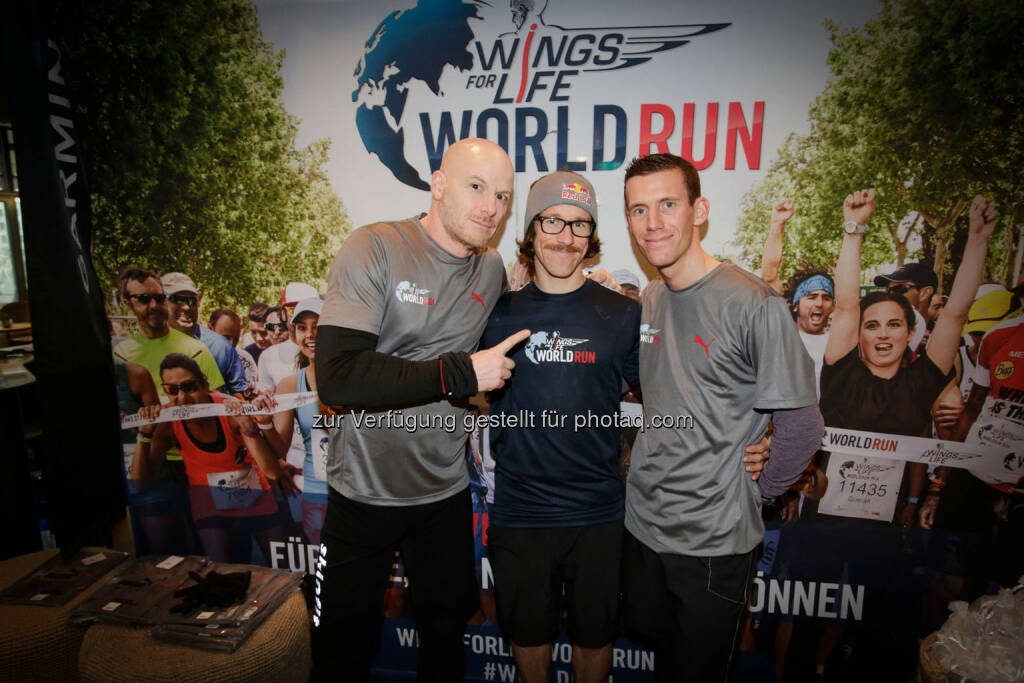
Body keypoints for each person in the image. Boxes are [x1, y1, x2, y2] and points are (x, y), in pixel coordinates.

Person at [311, 138, 527, 682]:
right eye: (476, 187)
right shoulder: (375, 246)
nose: (490, 208)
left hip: (444, 494)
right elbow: (337, 377)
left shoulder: (490, 269)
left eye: (502, 196)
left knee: (445, 637)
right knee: (342, 644)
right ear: (437, 184)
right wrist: (461, 373)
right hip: (361, 492)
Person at [620, 153, 823, 681]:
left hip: (712, 539)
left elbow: (803, 426)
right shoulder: (652, 296)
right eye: (638, 210)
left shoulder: (754, 302)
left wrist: (758, 491)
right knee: (659, 649)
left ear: (699, 209)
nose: (652, 223)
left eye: (667, 205)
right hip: (644, 525)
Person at [134, 353, 294, 563]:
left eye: (189, 387)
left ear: (205, 385)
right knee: (222, 570)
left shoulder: (228, 409)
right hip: (209, 505)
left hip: (254, 496)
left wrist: (248, 427)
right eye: (171, 390)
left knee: (283, 567)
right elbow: (141, 484)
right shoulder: (169, 421)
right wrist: (143, 436)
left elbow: (272, 471)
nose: (182, 398)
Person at [269, 296, 329, 545]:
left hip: (358, 495)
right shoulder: (290, 385)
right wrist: (261, 424)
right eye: (302, 328)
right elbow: (278, 450)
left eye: (317, 326)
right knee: (321, 574)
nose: (310, 335)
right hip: (317, 495)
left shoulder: (355, 378)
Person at [161, 272, 247, 396]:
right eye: (177, 300)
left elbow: (240, 394)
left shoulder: (220, 347)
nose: (186, 307)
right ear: (162, 303)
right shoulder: (145, 346)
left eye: (191, 301)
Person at [872, 260, 937, 351]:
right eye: (888, 289)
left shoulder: (943, 337)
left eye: (900, 289)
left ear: (925, 293)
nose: (891, 294)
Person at [210, 308, 259, 398]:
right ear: (210, 329)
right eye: (226, 338)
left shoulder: (245, 358)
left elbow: (250, 394)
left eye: (236, 339)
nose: (231, 344)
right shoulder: (198, 356)